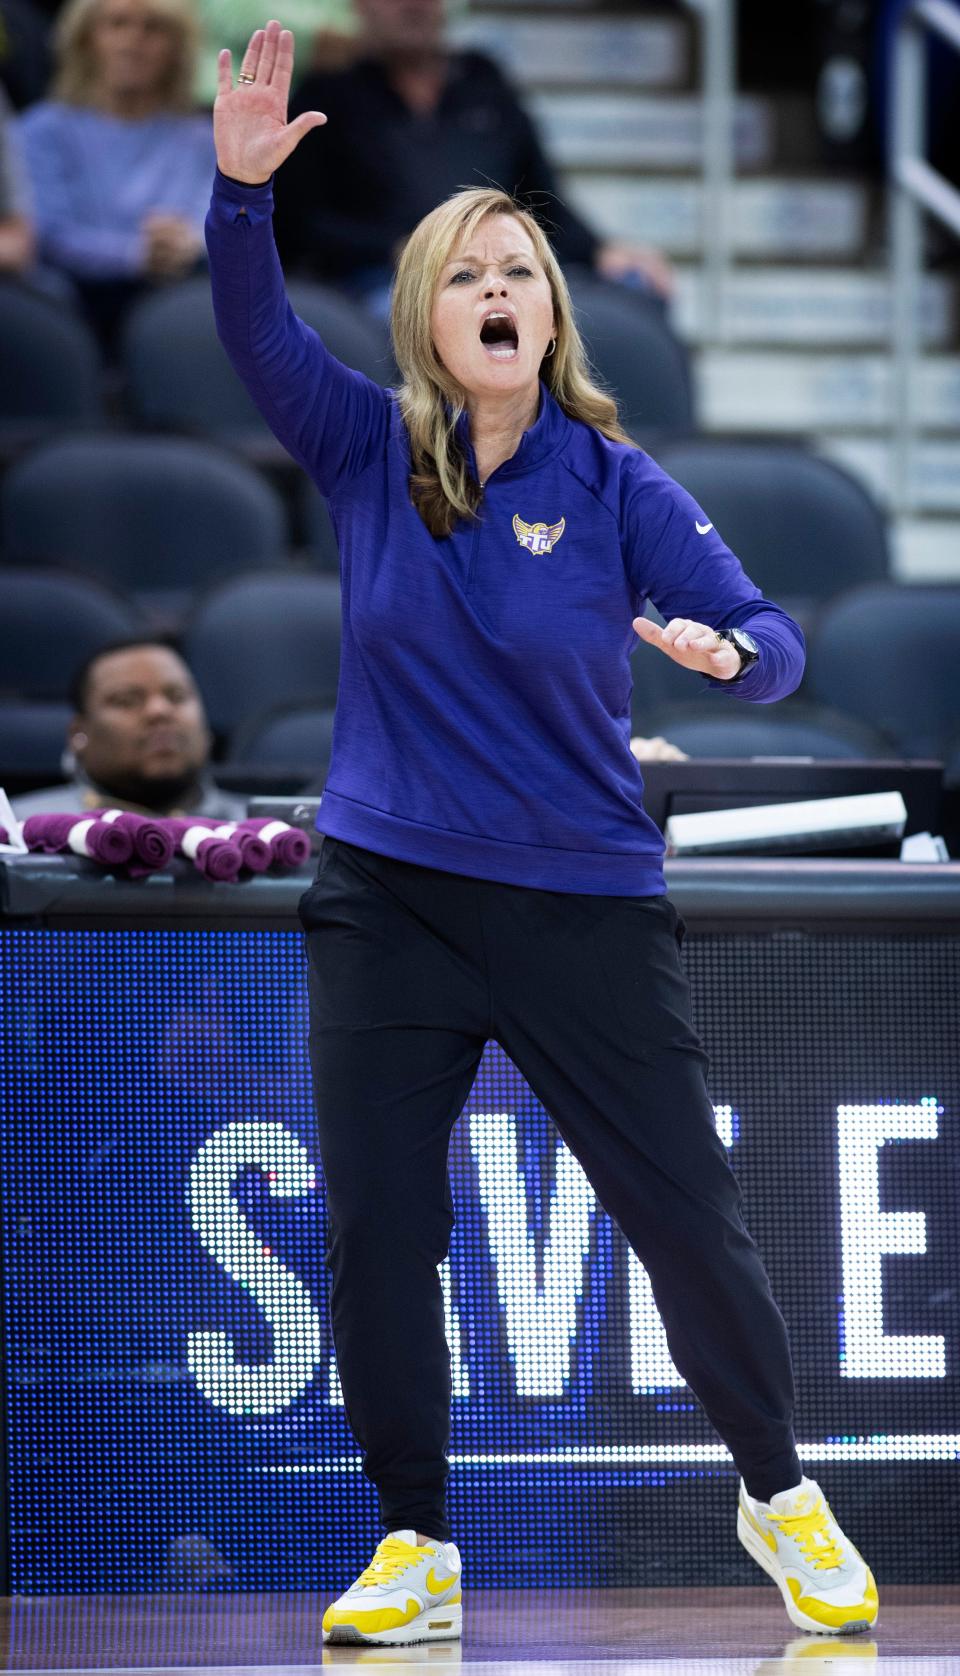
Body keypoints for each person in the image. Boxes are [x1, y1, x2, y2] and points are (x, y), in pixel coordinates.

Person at [206, 20, 878, 1644]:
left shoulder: (615, 477)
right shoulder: (370, 449)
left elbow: (774, 640)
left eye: (523, 269)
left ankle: (778, 1491)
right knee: (382, 1225)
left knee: (686, 1225)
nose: (500, 290)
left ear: (551, 311)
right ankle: (415, 1537)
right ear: (430, 315)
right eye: (469, 272)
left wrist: (733, 655)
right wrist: (240, 202)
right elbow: (253, 333)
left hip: (578, 898)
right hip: (389, 898)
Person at [271, 0, 673, 317]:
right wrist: (398, 250)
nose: (414, 4)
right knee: (419, 315)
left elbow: (542, 195)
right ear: (360, 5)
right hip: (383, 282)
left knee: (634, 289)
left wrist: (602, 250)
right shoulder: (327, 96)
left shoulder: (484, 81)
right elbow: (298, 225)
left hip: (504, 265)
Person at [15, 0, 215, 349]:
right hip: (72, 305)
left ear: (177, 48)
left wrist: (189, 243)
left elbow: (213, 218)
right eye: (116, 24)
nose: (132, 42)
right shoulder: (41, 130)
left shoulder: (201, 137)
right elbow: (47, 234)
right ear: (86, 39)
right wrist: (136, 254)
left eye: (152, 28)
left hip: (179, 302)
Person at [12, 638, 247, 820]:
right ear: (78, 734)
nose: (159, 711)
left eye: (177, 696)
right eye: (127, 700)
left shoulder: (269, 834)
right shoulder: (16, 830)